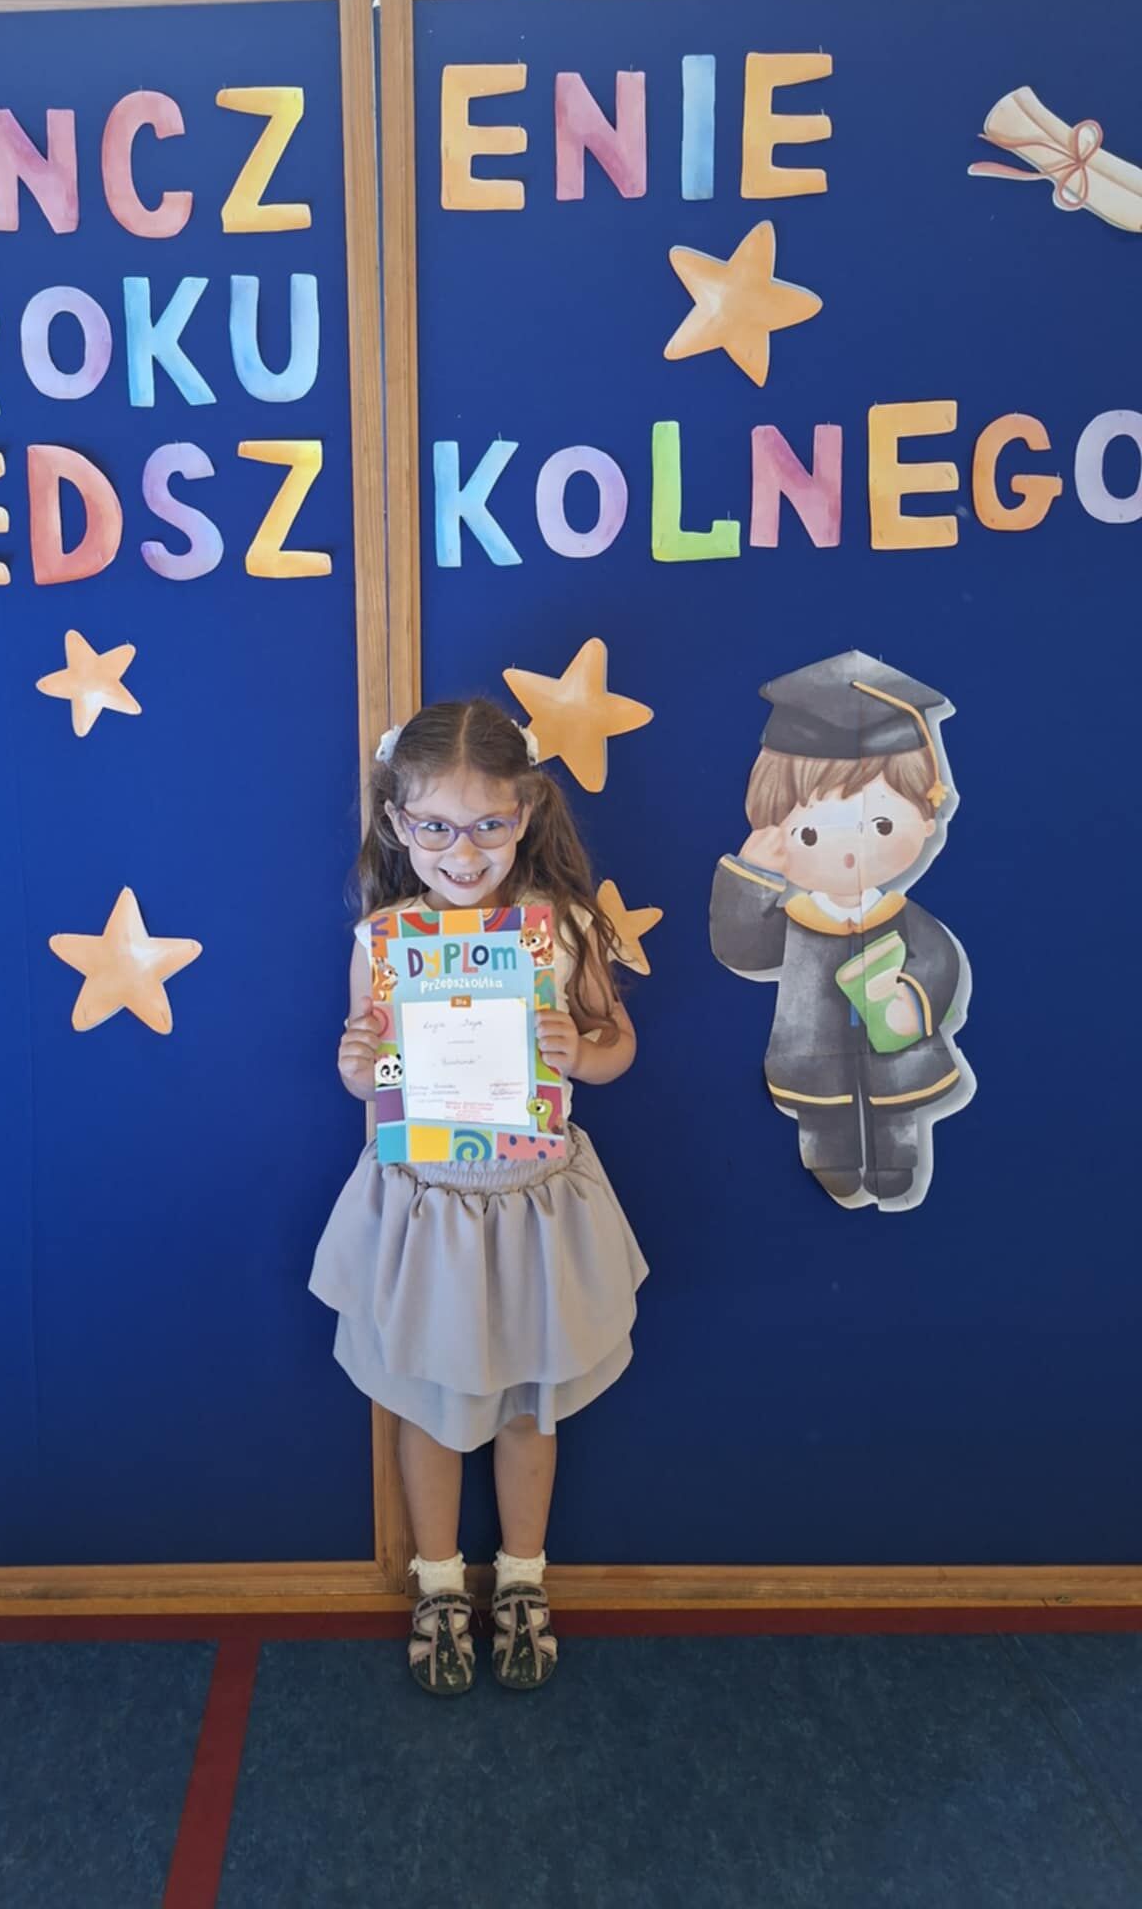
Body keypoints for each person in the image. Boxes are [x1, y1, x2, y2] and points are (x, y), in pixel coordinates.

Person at [309, 699, 649, 1695]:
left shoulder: (562, 928)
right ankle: (439, 1584)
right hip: (427, 1205)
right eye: (436, 828)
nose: (463, 852)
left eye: (488, 825)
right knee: (432, 1398)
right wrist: (357, 1066)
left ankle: (524, 1577)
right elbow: (372, 1076)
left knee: (530, 1403)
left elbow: (618, 1045)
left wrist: (580, 1051)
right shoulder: (384, 938)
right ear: (397, 824)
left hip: (533, 1202)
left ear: (526, 812)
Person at [709, 650, 973, 1209]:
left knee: (896, 1114)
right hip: (812, 1056)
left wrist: (911, 1002)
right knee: (822, 1123)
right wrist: (751, 877)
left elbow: (936, 960)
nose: (850, 852)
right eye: (808, 834)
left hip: (895, 1056)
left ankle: (895, 1159)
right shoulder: (799, 924)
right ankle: (831, 1160)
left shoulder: (901, 917)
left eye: (881, 824)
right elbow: (743, 948)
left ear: (927, 816)